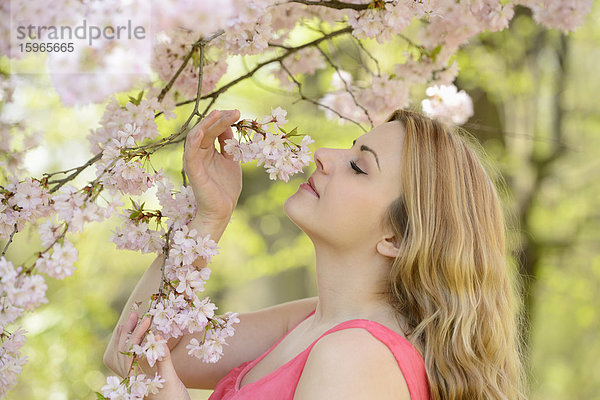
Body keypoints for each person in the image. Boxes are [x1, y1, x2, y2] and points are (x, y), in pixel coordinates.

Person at [103, 108, 525, 399]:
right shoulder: (312, 323)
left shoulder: (357, 356)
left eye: (360, 166)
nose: (323, 156)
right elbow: (134, 352)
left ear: (395, 239)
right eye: (350, 147)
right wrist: (209, 218)